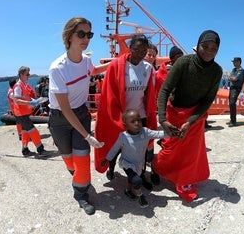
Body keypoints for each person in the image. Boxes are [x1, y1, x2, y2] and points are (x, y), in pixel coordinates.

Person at [48, 16, 109, 216]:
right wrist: (88, 135)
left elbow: (94, 71)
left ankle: (81, 194)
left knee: (82, 158)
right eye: (80, 34)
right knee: (68, 159)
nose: (86, 38)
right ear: (69, 36)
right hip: (60, 119)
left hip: (80, 114)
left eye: (88, 34)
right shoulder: (58, 68)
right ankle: (77, 175)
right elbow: (65, 109)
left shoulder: (86, 61)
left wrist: (117, 62)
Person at [152, 30, 223, 202]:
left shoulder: (216, 71)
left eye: (213, 48)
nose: (208, 51)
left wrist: (191, 121)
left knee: (191, 153)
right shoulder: (184, 62)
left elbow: (207, 100)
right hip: (175, 112)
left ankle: (183, 181)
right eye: (205, 46)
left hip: (195, 115)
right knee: (171, 149)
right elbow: (165, 91)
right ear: (198, 45)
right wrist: (162, 119)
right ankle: (156, 167)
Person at [94, 34, 157, 189]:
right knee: (117, 145)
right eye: (136, 48)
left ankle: (140, 176)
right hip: (120, 115)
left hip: (139, 116)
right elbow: (109, 94)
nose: (140, 52)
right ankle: (111, 166)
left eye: (144, 49)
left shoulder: (148, 68)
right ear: (130, 48)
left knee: (140, 149)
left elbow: (149, 94)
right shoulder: (117, 66)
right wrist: (117, 117)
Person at [102, 109, 168, 208]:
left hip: (139, 163)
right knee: (137, 181)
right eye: (132, 122)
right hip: (127, 163)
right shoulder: (123, 136)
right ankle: (141, 196)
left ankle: (128, 190)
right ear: (125, 126)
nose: (137, 123)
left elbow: (159, 134)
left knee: (132, 178)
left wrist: (173, 133)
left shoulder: (145, 132)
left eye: (139, 120)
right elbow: (115, 148)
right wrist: (107, 159)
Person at [13, 66, 49, 157]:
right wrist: (30, 102)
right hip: (21, 114)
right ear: (21, 74)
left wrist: (34, 101)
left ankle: (25, 150)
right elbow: (17, 100)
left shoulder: (24, 84)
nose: (29, 76)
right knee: (33, 131)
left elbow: (26, 96)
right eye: (27, 74)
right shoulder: (18, 86)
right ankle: (40, 149)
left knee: (25, 131)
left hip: (24, 112)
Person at [227, 57, 244, 126]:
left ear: (239, 62)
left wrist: (231, 78)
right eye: (233, 62)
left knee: (232, 103)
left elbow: (234, 78)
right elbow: (230, 77)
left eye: (235, 62)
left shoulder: (241, 70)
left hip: (236, 88)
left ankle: (233, 121)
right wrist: (231, 78)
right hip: (232, 88)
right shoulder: (234, 69)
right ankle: (232, 119)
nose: (234, 63)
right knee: (231, 104)